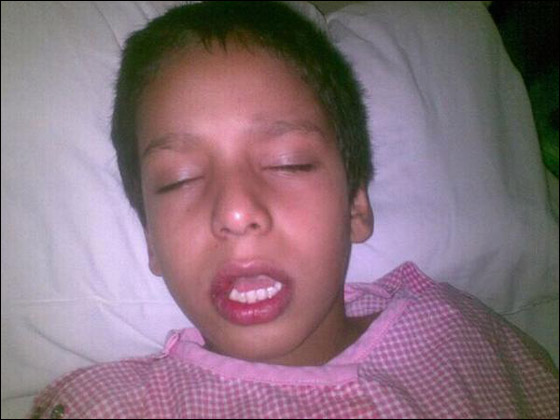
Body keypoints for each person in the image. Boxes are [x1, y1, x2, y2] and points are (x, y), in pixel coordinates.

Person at [30, 2, 558, 418]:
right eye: (180, 179)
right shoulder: (104, 407)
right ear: (151, 240)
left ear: (355, 205)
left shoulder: (457, 337)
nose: (236, 212)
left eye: (287, 163)